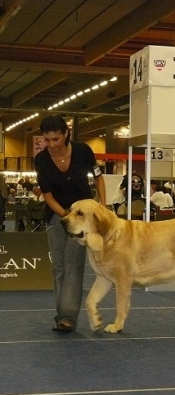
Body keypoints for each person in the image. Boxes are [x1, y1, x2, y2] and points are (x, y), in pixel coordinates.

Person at [34, 114, 106, 333]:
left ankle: (67, 318)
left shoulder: (84, 151)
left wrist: (103, 205)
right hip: (57, 215)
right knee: (58, 268)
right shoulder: (41, 160)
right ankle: (62, 314)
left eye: (55, 139)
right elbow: (47, 195)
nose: (51, 145)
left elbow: (98, 177)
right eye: (47, 140)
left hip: (83, 218)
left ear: (66, 134)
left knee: (73, 266)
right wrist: (66, 216)